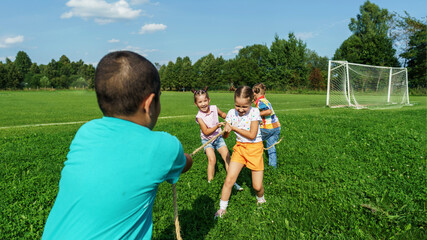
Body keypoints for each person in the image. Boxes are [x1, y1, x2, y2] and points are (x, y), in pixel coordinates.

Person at [42, 51, 193, 239]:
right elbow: (185, 163)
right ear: (150, 103)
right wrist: (186, 157)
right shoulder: (164, 146)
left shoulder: (85, 131)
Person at [215, 86, 265, 218]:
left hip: (255, 149)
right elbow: (226, 135)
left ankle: (261, 199)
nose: (241, 110)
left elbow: (252, 135)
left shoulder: (255, 112)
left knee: (257, 186)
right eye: (238, 106)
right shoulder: (231, 113)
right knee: (229, 180)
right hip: (240, 149)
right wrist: (226, 130)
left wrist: (233, 128)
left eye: (244, 107)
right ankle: (222, 209)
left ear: (251, 102)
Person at [193, 88, 243, 191]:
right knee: (212, 159)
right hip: (207, 141)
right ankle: (210, 183)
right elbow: (206, 131)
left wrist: (229, 120)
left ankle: (232, 181)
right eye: (200, 102)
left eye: (205, 101)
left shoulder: (214, 108)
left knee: (227, 157)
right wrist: (217, 126)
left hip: (218, 138)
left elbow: (223, 115)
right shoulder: (199, 117)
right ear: (196, 104)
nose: (203, 104)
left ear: (209, 100)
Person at [253, 83, 281, 168]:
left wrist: (256, 115)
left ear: (255, 94)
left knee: (254, 142)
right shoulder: (265, 100)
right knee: (271, 146)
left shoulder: (260, 101)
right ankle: (273, 167)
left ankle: (255, 164)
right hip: (276, 127)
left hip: (267, 128)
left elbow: (268, 111)